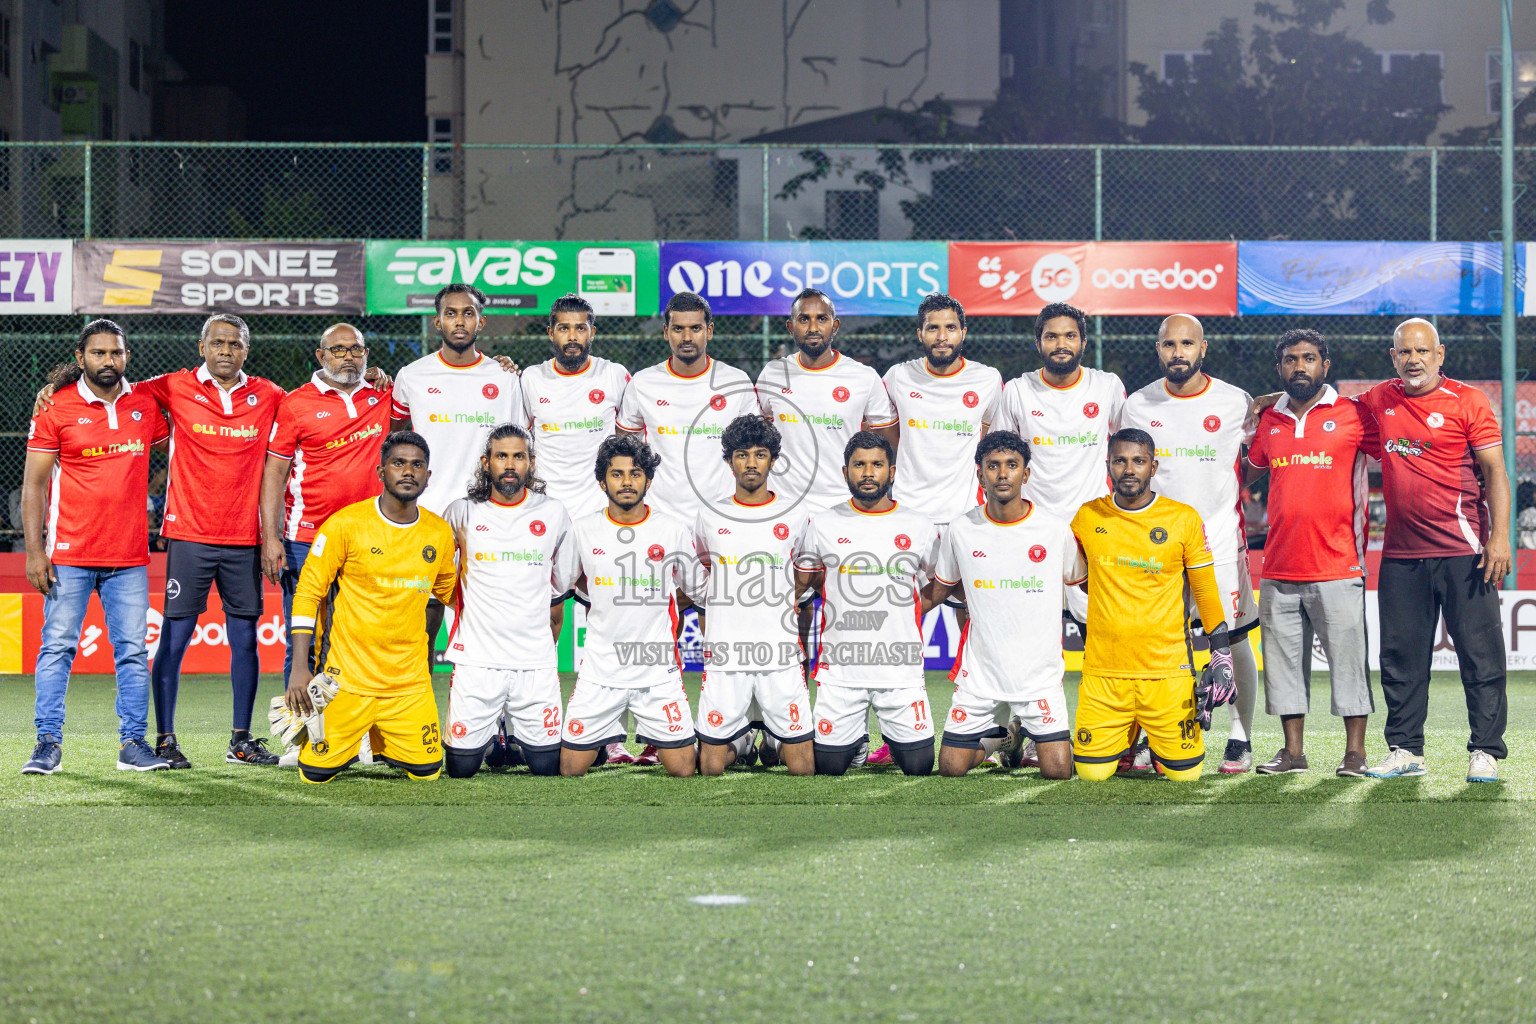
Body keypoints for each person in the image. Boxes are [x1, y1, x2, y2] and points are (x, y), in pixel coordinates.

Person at [38, 314, 294, 768]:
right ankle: (164, 740)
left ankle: (241, 740)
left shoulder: (270, 395)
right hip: (187, 534)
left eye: (234, 344)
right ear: (201, 347)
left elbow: (310, 408)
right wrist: (57, 389)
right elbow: (113, 386)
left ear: (246, 351)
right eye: (217, 342)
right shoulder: (170, 387)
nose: (225, 350)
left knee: (246, 640)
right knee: (171, 640)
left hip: (243, 537)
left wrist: (372, 378)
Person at [1354, 319, 1512, 782]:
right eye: (1405, 352)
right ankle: (1406, 750)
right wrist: (1272, 403)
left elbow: (1496, 472)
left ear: (1439, 354)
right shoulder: (1379, 398)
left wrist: (1498, 537)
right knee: (1400, 658)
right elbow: (1329, 410)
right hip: (1401, 556)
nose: (1414, 360)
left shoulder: (1469, 401)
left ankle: (1485, 750)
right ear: (1393, 356)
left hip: (1465, 553)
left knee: (1481, 657)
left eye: (1422, 351)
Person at [20, 320, 171, 773]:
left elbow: (185, 449)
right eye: (99, 353)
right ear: (80, 356)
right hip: (68, 555)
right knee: (57, 649)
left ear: (127, 356)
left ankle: (132, 745)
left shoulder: (145, 404)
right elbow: (33, 485)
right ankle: (47, 744)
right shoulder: (56, 407)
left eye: (117, 353)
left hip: (128, 557)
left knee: (131, 651)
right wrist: (34, 551)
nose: (109, 361)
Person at [1119, 314, 1260, 774]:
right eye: (1168, 344)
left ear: (1204, 348)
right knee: (1160, 643)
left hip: (1218, 542)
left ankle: (1241, 735)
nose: (1177, 352)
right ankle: (1158, 734)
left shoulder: (1235, 401)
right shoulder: (1138, 405)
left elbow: (1260, 454)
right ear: (1157, 349)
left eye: (1186, 343)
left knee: (1234, 639)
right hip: (1155, 548)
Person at [989, 301, 1125, 769]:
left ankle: (1115, 733)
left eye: (1070, 336)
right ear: (1038, 342)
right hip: (1033, 538)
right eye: (1051, 336)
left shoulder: (1107, 387)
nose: (1061, 344)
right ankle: (1016, 736)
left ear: (1083, 342)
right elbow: (1000, 459)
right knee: (1025, 641)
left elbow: (1129, 452)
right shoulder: (1017, 391)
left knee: (1104, 641)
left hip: (1093, 536)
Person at [285, 431, 458, 783]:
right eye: (398, 464)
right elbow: (307, 593)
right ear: (381, 472)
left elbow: (450, 593)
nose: (408, 472)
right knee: (315, 774)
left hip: (407, 683)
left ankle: (381, 741)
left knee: (428, 772)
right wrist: (300, 668)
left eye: (417, 465)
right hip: (346, 680)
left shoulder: (439, 533)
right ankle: (351, 737)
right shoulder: (345, 525)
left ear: (428, 475)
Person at [1069, 429, 1234, 782]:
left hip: (1167, 673)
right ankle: (1127, 741)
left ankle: (1153, 744)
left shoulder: (1183, 518)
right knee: (1090, 775)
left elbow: (1204, 590)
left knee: (1185, 777)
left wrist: (1221, 653)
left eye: (1139, 461)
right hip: (1104, 674)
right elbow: (1075, 577)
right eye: (1120, 461)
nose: (1129, 469)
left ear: (1153, 466)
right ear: (1108, 466)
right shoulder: (1087, 517)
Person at [1244, 330, 1375, 776]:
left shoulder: (1355, 414)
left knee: (1349, 664)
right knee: (1281, 669)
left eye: (1309, 358)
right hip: (1278, 566)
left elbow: (1391, 451)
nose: (1300, 366)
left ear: (1326, 364)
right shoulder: (1271, 421)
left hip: (1339, 563)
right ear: (1279, 368)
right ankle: (1292, 753)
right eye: (1290, 360)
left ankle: (1354, 753)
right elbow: (1251, 470)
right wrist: (1254, 412)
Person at [928, 431, 1083, 779]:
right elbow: (940, 589)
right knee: (951, 769)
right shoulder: (961, 529)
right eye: (993, 466)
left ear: (1025, 474)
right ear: (979, 473)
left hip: (1038, 677)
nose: (1002, 474)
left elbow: (1082, 586)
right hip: (981, 676)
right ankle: (1006, 739)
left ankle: (1028, 732)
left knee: (1058, 772)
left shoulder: (1054, 530)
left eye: (1012, 466)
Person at [795, 431, 940, 776]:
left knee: (919, 767)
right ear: (845, 472)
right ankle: (855, 741)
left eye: (877, 465)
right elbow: (805, 584)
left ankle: (887, 738)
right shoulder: (823, 524)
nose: (868, 473)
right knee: (829, 768)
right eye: (859, 464)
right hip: (842, 670)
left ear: (892, 472)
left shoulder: (918, 524)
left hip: (899, 669)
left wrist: (908, 611)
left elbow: (941, 583)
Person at [390, 283, 523, 653]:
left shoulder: (505, 378)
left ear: (482, 322)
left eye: (469, 313)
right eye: (451, 313)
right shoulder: (411, 377)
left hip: (486, 516)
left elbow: (513, 450)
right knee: (421, 627)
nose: (460, 321)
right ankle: (418, 709)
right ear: (437, 322)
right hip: (427, 515)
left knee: (487, 623)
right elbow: (393, 441)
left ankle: (489, 708)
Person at [440, 425, 578, 778]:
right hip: (476, 661)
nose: (511, 464)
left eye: (519, 456)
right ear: (487, 463)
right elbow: (444, 581)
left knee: (547, 768)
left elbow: (558, 591)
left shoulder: (554, 513)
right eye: (502, 456)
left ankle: (510, 733)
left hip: (534, 662)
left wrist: (542, 648)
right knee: (461, 768)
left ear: (531, 463)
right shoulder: (461, 513)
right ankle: (491, 735)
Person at [260, 324, 391, 693]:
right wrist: (271, 538)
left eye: (356, 349)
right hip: (307, 540)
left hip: (369, 540)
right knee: (305, 643)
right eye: (338, 350)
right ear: (321, 356)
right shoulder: (296, 403)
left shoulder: (382, 394)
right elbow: (274, 475)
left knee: (364, 637)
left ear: (366, 354)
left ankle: (357, 730)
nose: (348, 356)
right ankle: (300, 732)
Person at [559, 434, 699, 778]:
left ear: (648, 480)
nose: (626, 482)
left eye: (635, 473)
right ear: (602, 480)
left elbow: (697, 588)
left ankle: (651, 739)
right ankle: (606, 738)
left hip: (656, 671)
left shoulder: (672, 530)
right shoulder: (583, 530)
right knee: (569, 769)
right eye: (617, 474)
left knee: (683, 769)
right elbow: (564, 582)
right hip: (600, 670)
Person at [691, 415, 815, 775]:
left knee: (803, 768)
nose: (751, 463)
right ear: (729, 461)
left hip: (778, 653)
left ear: (773, 460)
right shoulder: (710, 513)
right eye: (742, 455)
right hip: (727, 654)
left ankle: (770, 743)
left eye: (760, 454)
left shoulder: (795, 512)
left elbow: (804, 570)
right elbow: (704, 569)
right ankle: (742, 744)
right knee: (709, 768)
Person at [617, 291, 757, 523]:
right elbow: (625, 447)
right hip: (658, 516)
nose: (687, 337)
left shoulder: (736, 381)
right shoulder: (642, 383)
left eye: (695, 328)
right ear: (666, 332)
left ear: (709, 331)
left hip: (723, 515)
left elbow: (753, 449)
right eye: (678, 328)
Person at [757, 288, 900, 513]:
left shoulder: (863, 377)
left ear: (835, 326)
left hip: (841, 504)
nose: (813, 327)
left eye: (821, 319)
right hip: (783, 505)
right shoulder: (773, 373)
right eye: (804, 319)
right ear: (790, 326)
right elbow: (762, 428)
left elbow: (892, 439)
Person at [882, 293, 1003, 524]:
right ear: (920, 334)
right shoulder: (898, 376)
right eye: (932, 328)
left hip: (966, 514)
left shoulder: (987, 379)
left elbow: (989, 435)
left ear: (963, 333)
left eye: (950, 327)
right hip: (908, 512)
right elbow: (878, 427)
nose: (942, 337)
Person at [519, 293, 631, 519]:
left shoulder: (614, 375)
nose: (572, 337)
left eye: (580, 328)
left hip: (601, 507)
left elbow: (629, 437)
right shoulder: (531, 379)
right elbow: (521, 443)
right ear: (551, 333)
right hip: (545, 507)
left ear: (593, 332)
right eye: (563, 328)